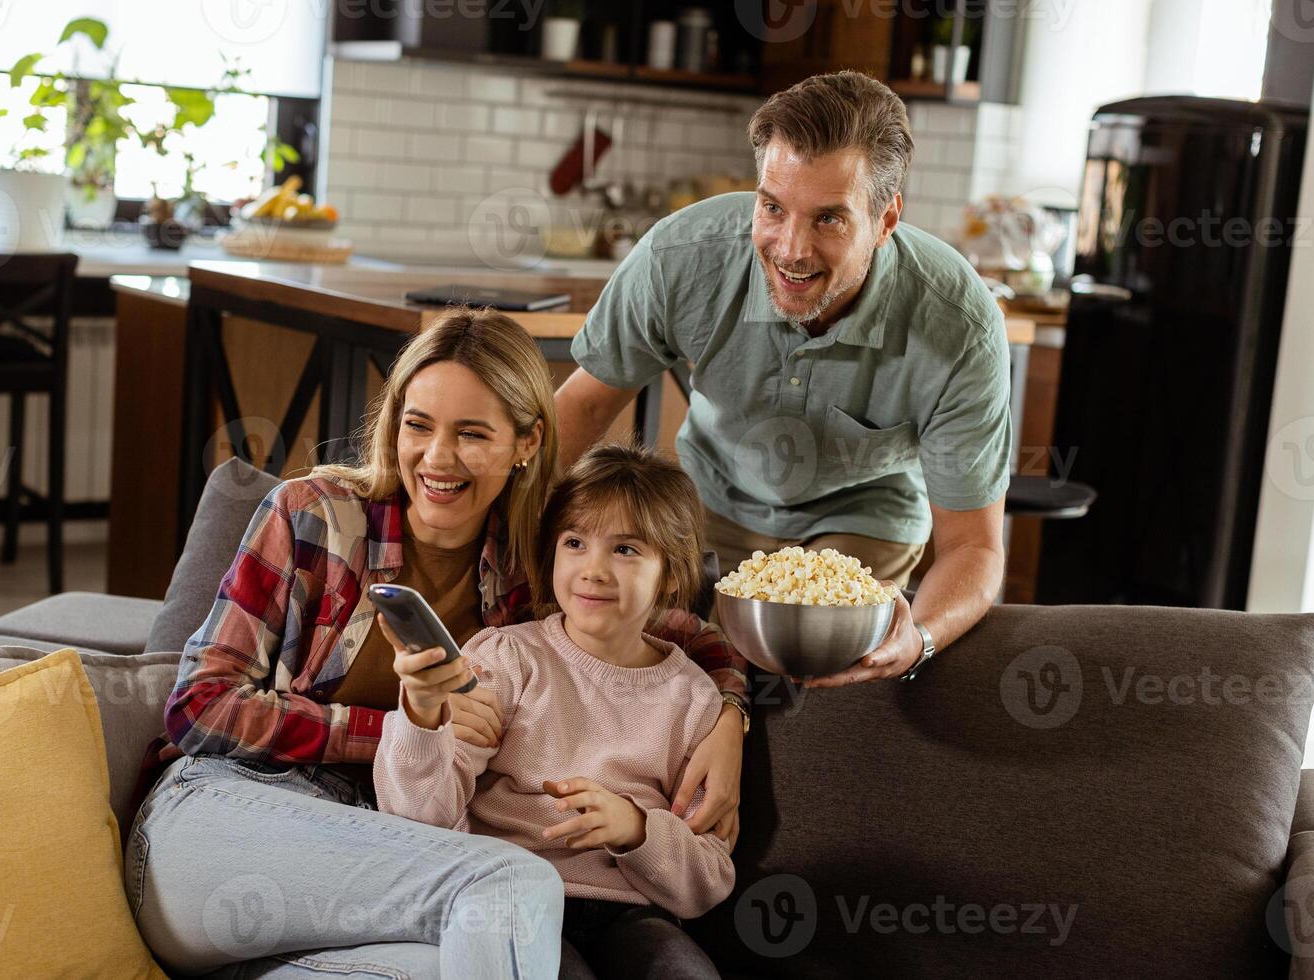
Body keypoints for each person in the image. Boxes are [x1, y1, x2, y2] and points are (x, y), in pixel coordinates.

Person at [124, 308, 750, 978]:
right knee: (518, 889)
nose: (436, 458)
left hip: (385, 855)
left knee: (486, 953)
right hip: (226, 811)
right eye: (416, 425)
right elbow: (198, 706)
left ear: (527, 443)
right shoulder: (314, 515)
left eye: (472, 433)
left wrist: (730, 719)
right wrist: (395, 726)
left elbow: (682, 631)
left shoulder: (533, 566)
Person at [555, 70, 1013, 689]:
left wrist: (921, 639)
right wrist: (508, 547)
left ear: (885, 220)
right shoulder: (680, 258)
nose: (791, 249)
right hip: (707, 500)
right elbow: (580, 408)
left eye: (829, 220)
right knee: (659, 678)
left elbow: (974, 548)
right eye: (772, 207)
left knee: (814, 704)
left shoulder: (960, 325)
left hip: (862, 519)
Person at [375, 443, 732, 979]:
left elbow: (709, 879)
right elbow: (421, 820)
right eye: (575, 542)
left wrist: (637, 829)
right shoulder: (507, 657)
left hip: (631, 913)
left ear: (673, 575)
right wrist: (423, 722)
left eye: (626, 550)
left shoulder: (695, 699)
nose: (593, 569)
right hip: (511, 895)